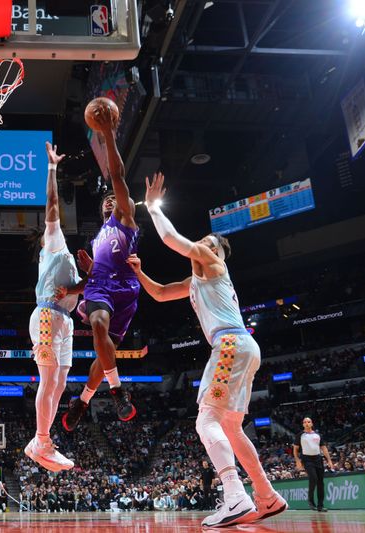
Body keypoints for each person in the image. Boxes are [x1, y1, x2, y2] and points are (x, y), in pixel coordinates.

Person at [128, 173, 288, 527]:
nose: (199, 245)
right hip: (243, 345)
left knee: (206, 420)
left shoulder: (214, 262)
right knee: (232, 428)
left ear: (214, 250)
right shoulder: (196, 281)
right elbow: (159, 293)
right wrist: (140, 272)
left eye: (204, 242)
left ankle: (235, 497)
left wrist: (153, 206)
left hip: (230, 343)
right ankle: (266, 496)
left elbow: (171, 238)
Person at [61, 102, 139, 430]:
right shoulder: (98, 238)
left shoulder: (125, 218)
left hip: (127, 291)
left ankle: (83, 400)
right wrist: (77, 285)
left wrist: (107, 134)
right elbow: (96, 276)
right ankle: (119, 392)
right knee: (97, 326)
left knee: (103, 351)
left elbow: (117, 175)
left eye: (114, 198)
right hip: (99, 288)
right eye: (105, 200)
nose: (110, 200)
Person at [25, 141, 80, 472]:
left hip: (66, 321)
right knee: (48, 382)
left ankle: (43, 439)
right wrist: (52, 168)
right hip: (47, 316)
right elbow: (52, 205)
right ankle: (40, 440)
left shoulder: (68, 259)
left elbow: (80, 292)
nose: (53, 226)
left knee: (60, 383)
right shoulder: (54, 245)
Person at [294, 417, 334, 512]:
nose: (306, 423)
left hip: (318, 459)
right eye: (304, 422)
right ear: (303, 424)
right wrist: (297, 461)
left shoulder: (318, 435)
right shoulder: (300, 435)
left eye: (308, 422)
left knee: (320, 483)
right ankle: (311, 501)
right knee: (313, 478)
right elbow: (295, 450)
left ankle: (320, 505)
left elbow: (324, 448)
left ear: (312, 424)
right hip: (307, 459)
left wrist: (329, 460)